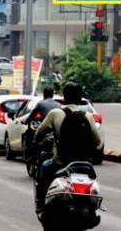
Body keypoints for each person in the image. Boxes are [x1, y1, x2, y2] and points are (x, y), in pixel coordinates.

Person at [34, 82, 101, 215]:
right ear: (80, 98)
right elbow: (98, 142)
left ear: (64, 97)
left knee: (44, 168)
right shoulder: (87, 116)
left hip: (60, 162)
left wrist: (36, 142)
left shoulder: (55, 114)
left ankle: (42, 205)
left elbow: (39, 134)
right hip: (84, 164)